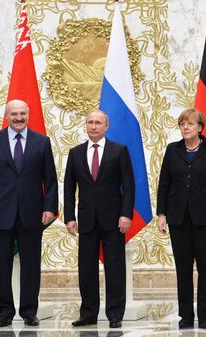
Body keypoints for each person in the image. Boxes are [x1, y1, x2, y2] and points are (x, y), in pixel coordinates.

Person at [0, 99, 58, 328]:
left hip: (32, 213)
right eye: (14, 114)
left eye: (22, 113)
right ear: (7, 116)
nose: (18, 118)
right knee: (2, 265)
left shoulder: (42, 142)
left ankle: (30, 311)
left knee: (31, 264)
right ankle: (5, 312)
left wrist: (50, 208)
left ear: (28, 115)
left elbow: (50, 180)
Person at [156, 108, 206, 329]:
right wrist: (161, 213)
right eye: (182, 124)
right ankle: (186, 315)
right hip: (178, 217)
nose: (185, 128)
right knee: (183, 268)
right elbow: (164, 183)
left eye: (190, 124)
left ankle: (204, 314)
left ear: (200, 127)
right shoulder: (172, 149)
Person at [64, 110, 135, 329]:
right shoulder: (75, 153)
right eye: (90, 122)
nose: (93, 126)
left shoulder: (119, 151)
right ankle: (88, 313)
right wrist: (69, 217)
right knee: (86, 268)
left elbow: (129, 185)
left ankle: (115, 314)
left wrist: (126, 214)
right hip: (86, 219)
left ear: (106, 126)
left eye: (98, 123)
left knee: (114, 268)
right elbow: (68, 187)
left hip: (114, 219)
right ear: (86, 126)